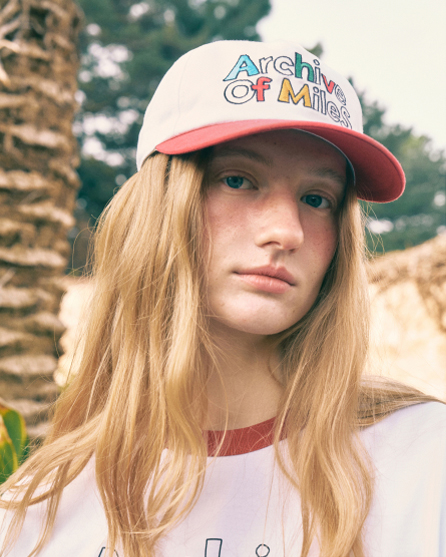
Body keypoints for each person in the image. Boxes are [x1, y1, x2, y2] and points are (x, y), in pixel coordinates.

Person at [0, 40, 445, 557]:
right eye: (237, 180)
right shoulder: (34, 513)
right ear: (161, 206)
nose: (287, 231)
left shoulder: (426, 461)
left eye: (316, 199)